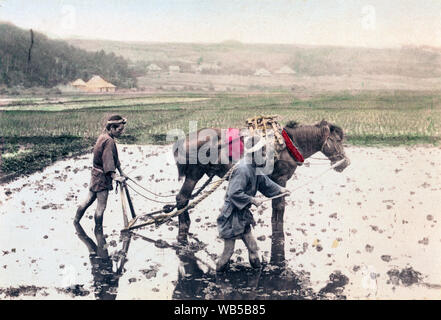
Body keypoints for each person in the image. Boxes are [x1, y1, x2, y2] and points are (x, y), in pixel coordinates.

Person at [216, 135, 290, 272]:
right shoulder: (243, 169)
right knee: (228, 252)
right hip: (231, 216)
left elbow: (265, 183)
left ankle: (256, 280)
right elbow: (234, 193)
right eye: (263, 152)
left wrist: (281, 189)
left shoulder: (254, 167)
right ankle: (219, 279)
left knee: (253, 248)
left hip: (243, 215)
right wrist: (252, 200)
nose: (265, 155)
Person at [74, 114, 128, 231]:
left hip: (95, 174)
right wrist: (115, 176)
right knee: (101, 207)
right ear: (112, 128)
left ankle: (76, 222)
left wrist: (121, 172)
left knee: (88, 200)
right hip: (102, 177)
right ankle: (98, 231)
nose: (121, 132)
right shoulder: (109, 141)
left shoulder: (103, 136)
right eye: (119, 130)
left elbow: (114, 159)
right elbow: (108, 160)